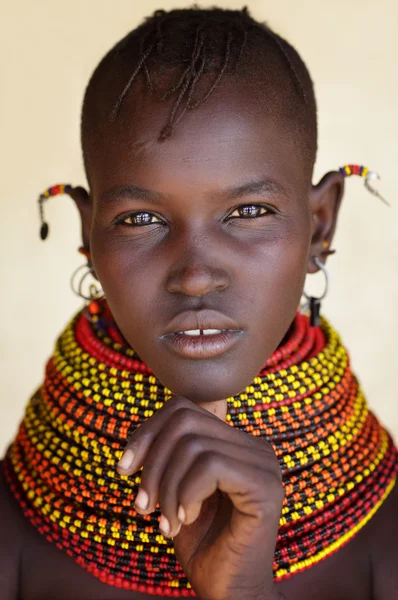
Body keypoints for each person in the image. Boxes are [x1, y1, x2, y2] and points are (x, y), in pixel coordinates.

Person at [0, 5, 397, 600]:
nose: (195, 276)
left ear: (320, 225)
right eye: (141, 219)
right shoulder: (15, 529)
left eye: (249, 212)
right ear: (88, 238)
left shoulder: (382, 530)